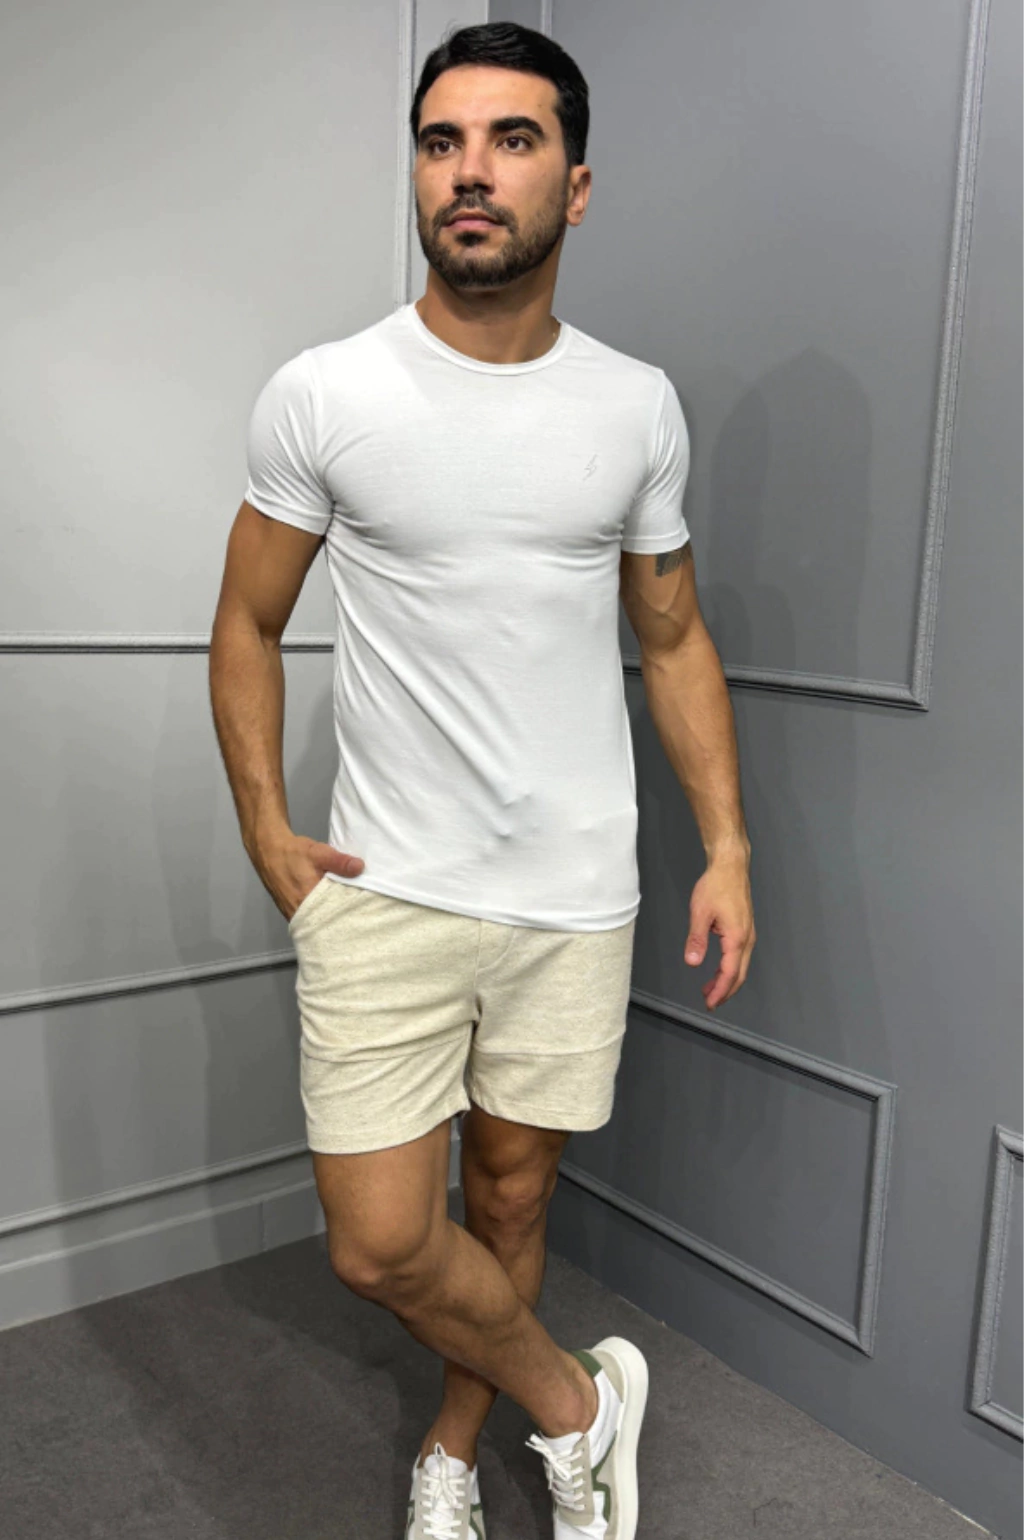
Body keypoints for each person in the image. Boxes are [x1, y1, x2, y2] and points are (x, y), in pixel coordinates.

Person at [209, 20, 755, 1539]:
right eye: (442, 140)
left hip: (572, 896)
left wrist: (727, 845)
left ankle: (457, 1451)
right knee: (381, 1240)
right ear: (416, 173)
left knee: (512, 1199)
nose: (470, 171)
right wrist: (267, 829)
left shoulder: (635, 406)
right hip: (385, 890)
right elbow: (246, 621)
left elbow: (673, 634)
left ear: (573, 187)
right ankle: (581, 1404)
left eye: (513, 140)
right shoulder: (326, 393)